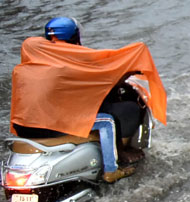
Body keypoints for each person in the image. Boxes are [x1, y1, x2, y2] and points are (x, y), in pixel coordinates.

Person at [10, 17, 168, 183]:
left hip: (23, 127)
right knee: (108, 121)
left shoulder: (28, 64)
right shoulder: (69, 64)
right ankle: (112, 170)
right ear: (74, 36)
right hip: (49, 125)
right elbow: (100, 80)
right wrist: (131, 66)